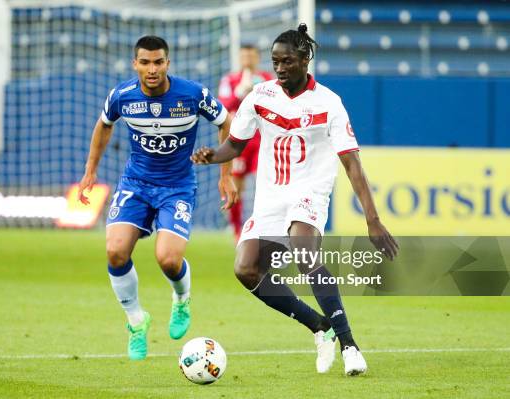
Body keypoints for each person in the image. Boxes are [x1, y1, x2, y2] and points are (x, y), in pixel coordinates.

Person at [191, 24, 398, 376]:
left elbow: (352, 164)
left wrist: (373, 220)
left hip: (310, 191)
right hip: (271, 196)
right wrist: (213, 156)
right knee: (246, 269)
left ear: (305, 60)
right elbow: (236, 145)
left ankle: (350, 346)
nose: (281, 68)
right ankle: (320, 327)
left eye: (287, 61)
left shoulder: (329, 103)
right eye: (275, 62)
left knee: (304, 252)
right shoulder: (259, 96)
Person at [78, 35, 236, 361]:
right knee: (115, 252)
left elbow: (226, 123)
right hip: (136, 183)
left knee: (168, 259)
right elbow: (104, 125)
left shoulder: (192, 94)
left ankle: (181, 298)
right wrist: (90, 171)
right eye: (146, 62)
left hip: (177, 186)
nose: (152, 69)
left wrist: (225, 174)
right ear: (135, 63)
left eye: (158, 62)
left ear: (168, 63)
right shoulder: (122, 96)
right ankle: (137, 322)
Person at [218, 45, 274, 241]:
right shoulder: (230, 80)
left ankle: (267, 228)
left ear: (257, 57)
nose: (247, 58)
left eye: (251, 55)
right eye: (244, 55)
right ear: (239, 58)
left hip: (262, 141)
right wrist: (240, 92)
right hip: (240, 141)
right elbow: (223, 108)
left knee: (268, 183)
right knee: (237, 186)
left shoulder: (267, 80)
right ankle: (236, 230)